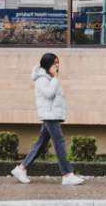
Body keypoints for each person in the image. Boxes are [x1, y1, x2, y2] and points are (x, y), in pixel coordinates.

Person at [11, 53, 84, 186]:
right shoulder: (42, 79)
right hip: (49, 115)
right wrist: (56, 78)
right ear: (47, 64)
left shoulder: (49, 77)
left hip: (51, 114)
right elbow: (49, 94)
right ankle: (67, 174)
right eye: (54, 63)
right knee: (59, 143)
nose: (57, 65)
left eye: (58, 63)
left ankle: (21, 168)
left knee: (41, 143)